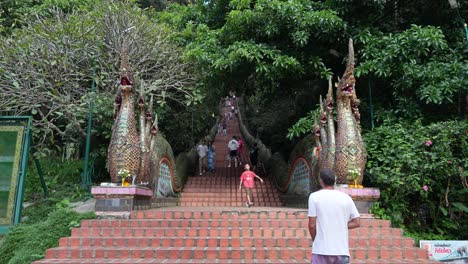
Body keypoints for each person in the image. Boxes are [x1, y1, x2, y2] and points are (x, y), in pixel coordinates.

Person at [308, 169, 360, 264]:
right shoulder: (346, 198)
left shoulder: (314, 197)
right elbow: (357, 222)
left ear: (320, 180)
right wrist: (340, 225)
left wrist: (315, 240)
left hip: (321, 250)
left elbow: (311, 225)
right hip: (342, 251)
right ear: (334, 181)